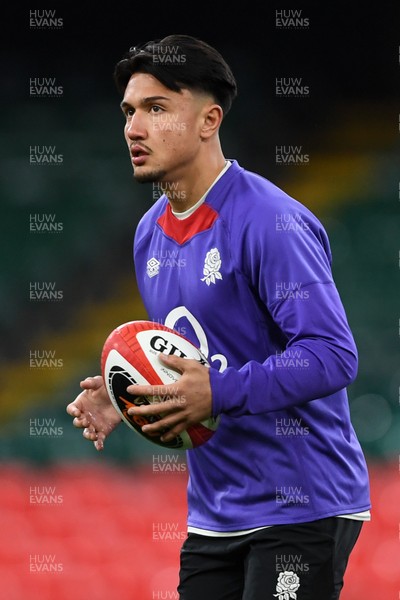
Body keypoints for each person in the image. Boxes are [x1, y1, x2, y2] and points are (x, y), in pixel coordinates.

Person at [66, 34, 371, 599]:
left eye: (157, 109)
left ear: (209, 120)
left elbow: (332, 355)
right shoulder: (147, 235)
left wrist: (220, 392)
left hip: (300, 507)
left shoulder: (269, 220)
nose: (134, 129)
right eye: (129, 112)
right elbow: (197, 351)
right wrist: (130, 392)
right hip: (213, 515)